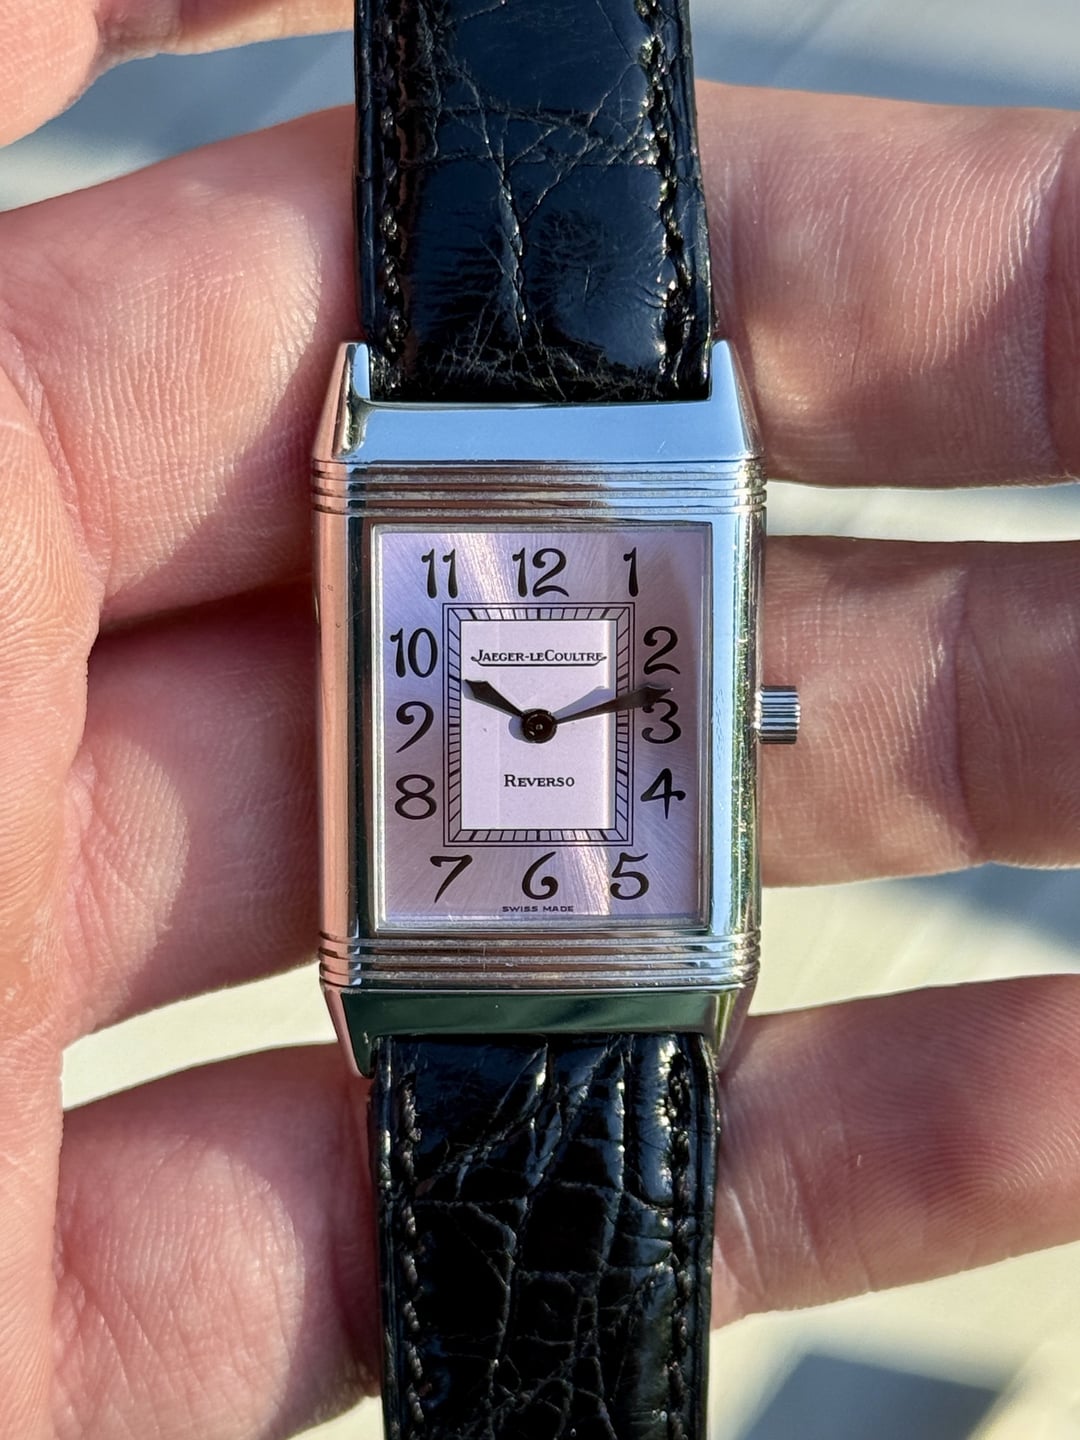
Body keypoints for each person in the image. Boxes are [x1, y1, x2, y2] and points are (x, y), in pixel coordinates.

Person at [2, 3, 1078, 1436]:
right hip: (515, 970)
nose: (533, 723)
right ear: (747, 718)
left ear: (743, 717)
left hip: (563, 969)